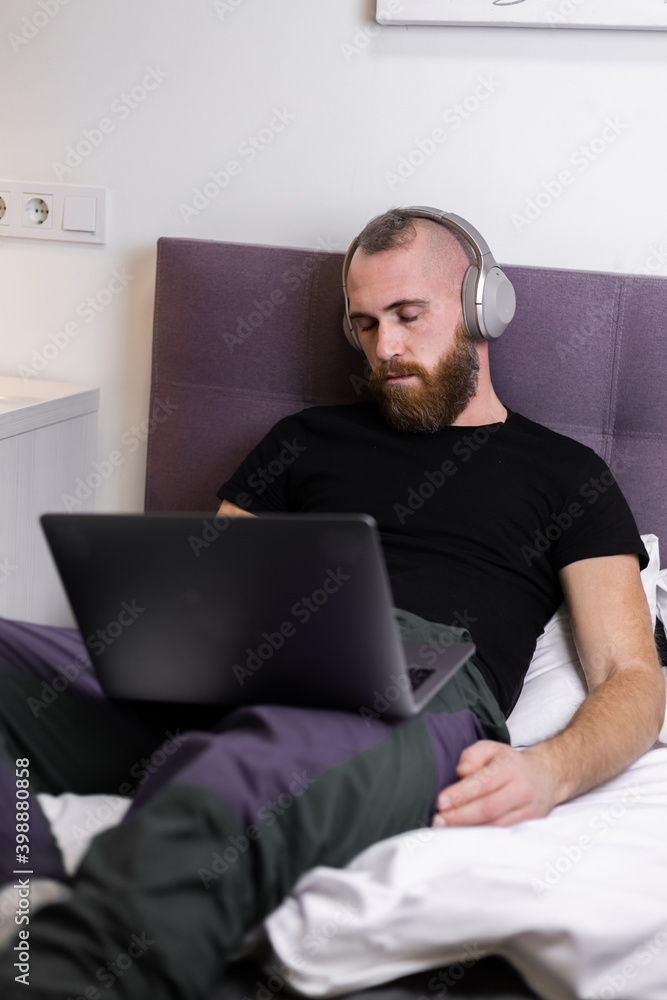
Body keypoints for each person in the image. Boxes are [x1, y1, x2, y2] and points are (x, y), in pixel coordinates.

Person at [0, 208, 663, 1000]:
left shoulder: (564, 473)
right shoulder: (303, 438)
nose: (384, 348)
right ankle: (27, 886)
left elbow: (634, 676)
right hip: (235, 660)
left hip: (415, 687)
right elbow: (203, 586)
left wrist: (547, 772)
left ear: (484, 304)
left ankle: (69, 974)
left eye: (408, 316)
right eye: (364, 324)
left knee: (247, 768)